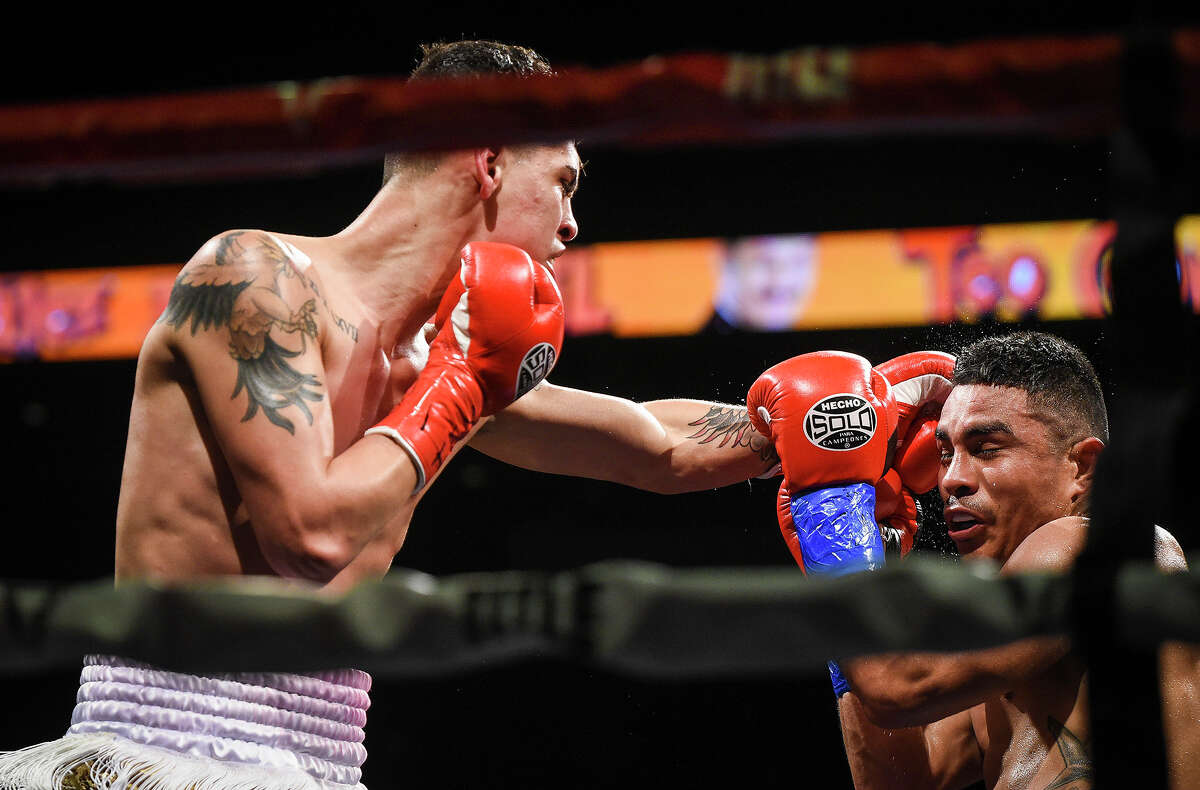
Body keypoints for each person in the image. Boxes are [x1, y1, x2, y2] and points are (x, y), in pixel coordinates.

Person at [0, 40, 780, 790]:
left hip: (326, 759)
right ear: (491, 159)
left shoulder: (436, 362)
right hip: (159, 750)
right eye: (566, 182)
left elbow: (654, 448)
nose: (572, 225)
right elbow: (310, 535)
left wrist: (839, 413)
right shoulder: (255, 280)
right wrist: (461, 386)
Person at [750, 331, 1198, 789]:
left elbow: (898, 688)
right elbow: (899, 781)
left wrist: (839, 540)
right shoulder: (993, 666)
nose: (952, 479)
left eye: (987, 449)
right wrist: (853, 572)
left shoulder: (1093, 548)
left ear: (1082, 468)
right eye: (945, 453)